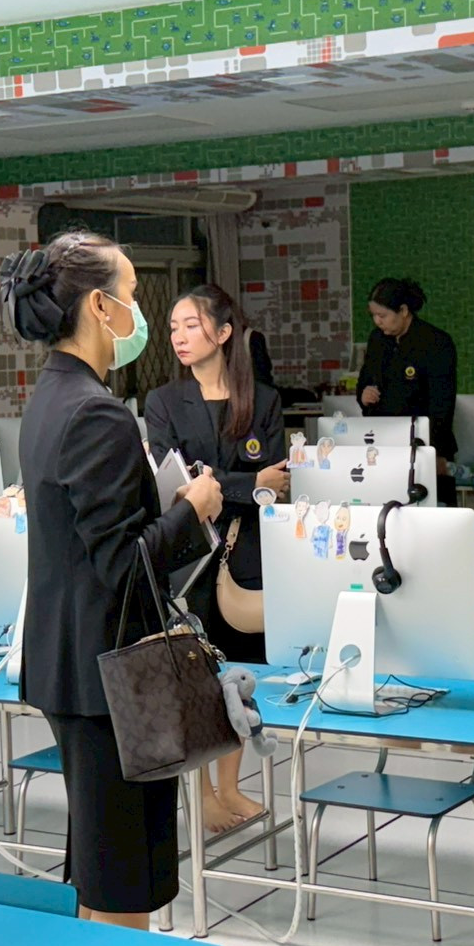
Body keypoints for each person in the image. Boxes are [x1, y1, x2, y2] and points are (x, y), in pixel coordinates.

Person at [6, 231, 223, 930]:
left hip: (73, 665)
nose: (138, 311)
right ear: (100, 307)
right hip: (110, 677)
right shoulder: (95, 411)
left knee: (102, 864)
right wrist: (191, 510)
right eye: (130, 294)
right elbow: (123, 564)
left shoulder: (50, 397)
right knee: (126, 877)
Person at [144, 284, 289, 833]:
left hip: (246, 552)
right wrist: (245, 482)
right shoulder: (163, 402)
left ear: (224, 333)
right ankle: (202, 794)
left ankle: (230, 787)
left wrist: (229, 484)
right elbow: (178, 484)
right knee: (197, 675)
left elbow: (275, 485)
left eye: (191, 325)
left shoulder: (263, 401)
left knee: (242, 676)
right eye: (173, 327)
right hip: (189, 555)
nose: (179, 337)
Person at [355, 278, 458, 505]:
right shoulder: (377, 340)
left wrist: (435, 452)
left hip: (424, 442)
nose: (377, 321)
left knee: (430, 508)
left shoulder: (435, 342)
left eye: (382, 315)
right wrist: (363, 394)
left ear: (403, 311)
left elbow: (442, 404)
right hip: (383, 441)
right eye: (373, 315)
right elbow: (365, 379)